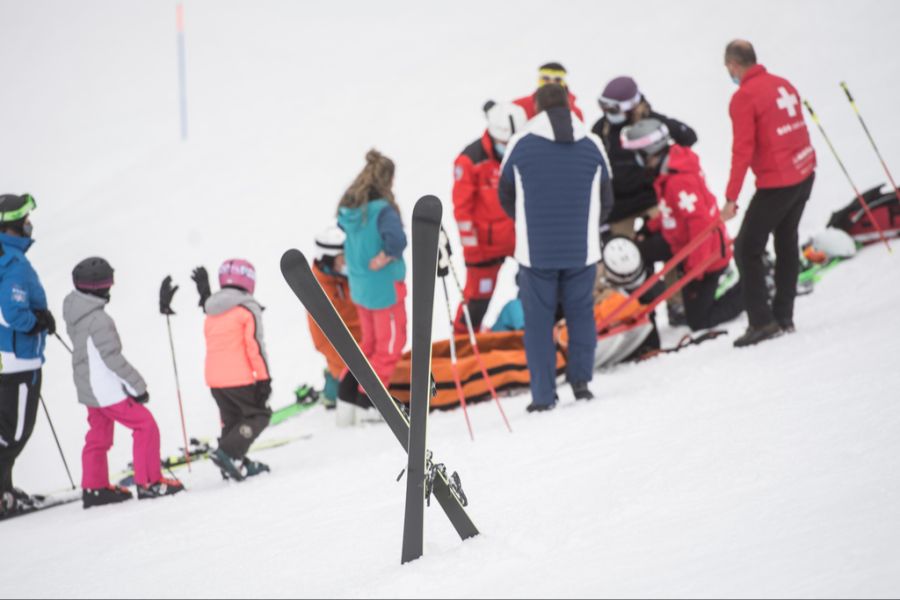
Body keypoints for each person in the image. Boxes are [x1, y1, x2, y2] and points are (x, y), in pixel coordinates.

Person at [498, 84, 613, 412]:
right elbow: (606, 199)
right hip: (583, 250)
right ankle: (581, 382)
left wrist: (526, 222)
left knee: (538, 322)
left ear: (536, 108)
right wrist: (587, 228)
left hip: (536, 253)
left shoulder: (521, 145)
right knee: (581, 314)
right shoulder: (592, 144)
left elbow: (505, 195)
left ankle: (544, 396)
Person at [63, 257, 184, 508]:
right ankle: (149, 482)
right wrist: (137, 387)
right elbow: (112, 359)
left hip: (87, 387)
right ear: (100, 288)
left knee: (98, 435)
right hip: (105, 389)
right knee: (145, 425)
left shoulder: (74, 310)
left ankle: (95, 488)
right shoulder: (99, 320)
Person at [722, 40, 817, 347]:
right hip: (804, 172)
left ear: (734, 65)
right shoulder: (782, 85)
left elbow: (742, 150)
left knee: (747, 247)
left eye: (728, 68)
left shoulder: (744, 97)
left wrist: (731, 198)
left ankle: (762, 322)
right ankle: (784, 315)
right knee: (786, 239)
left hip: (779, 182)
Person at [621, 119, 745, 331]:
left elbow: (701, 226)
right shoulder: (669, 170)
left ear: (650, 152)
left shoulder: (679, 181)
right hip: (680, 242)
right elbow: (673, 213)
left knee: (698, 321)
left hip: (706, 256)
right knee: (639, 250)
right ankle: (639, 305)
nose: (638, 161)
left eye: (639, 155)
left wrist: (694, 270)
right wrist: (648, 229)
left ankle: (749, 289)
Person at [592, 76, 698, 323]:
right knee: (617, 256)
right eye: (603, 106)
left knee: (672, 240)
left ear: (631, 106)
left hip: (652, 199)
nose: (608, 113)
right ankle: (630, 308)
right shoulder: (601, 130)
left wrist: (656, 127)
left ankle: (677, 301)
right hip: (618, 205)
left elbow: (688, 137)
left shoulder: (652, 122)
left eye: (614, 108)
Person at [336, 150, 407, 424]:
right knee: (390, 344)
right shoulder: (382, 211)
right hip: (384, 288)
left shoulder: (352, 209)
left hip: (360, 285)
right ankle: (370, 403)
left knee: (368, 344)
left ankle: (346, 398)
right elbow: (397, 240)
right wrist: (386, 255)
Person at [190, 260, 272, 481]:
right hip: (239, 376)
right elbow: (254, 345)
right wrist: (264, 379)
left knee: (232, 420)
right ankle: (228, 453)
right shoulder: (247, 307)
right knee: (259, 415)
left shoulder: (211, 308)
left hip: (215, 379)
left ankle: (234, 462)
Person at [451, 101, 527, 333]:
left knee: (536, 288)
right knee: (477, 300)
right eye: (505, 144)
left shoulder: (525, 155)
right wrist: (473, 251)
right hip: (486, 248)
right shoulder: (470, 161)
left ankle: (530, 330)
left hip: (522, 242)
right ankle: (463, 341)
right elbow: (462, 212)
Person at [0, 194, 53, 518]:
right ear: (16, 226)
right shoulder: (13, 264)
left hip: (8, 358)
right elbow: (10, 314)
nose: (30, 224)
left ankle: (4, 490)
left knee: (7, 431)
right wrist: (38, 322)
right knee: (13, 433)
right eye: (26, 220)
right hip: (18, 360)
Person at [307, 225, 361, 409]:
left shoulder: (344, 277)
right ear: (328, 260)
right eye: (343, 259)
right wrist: (352, 367)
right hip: (347, 361)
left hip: (366, 351)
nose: (348, 263)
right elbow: (322, 341)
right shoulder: (319, 292)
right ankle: (333, 386)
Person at [513, 62, 585, 121]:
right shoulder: (519, 107)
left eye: (557, 80)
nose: (551, 83)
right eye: (546, 79)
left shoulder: (575, 113)